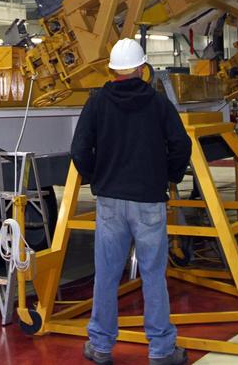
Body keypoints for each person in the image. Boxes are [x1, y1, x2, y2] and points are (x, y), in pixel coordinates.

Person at [71, 38, 190, 365]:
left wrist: (96, 177)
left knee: (106, 274)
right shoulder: (159, 104)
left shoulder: (96, 103)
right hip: (149, 200)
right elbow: (181, 145)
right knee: (153, 274)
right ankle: (162, 350)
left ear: (111, 70)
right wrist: (170, 176)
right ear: (142, 69)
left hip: (110, 200)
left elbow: (79, 149)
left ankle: (100, 346)